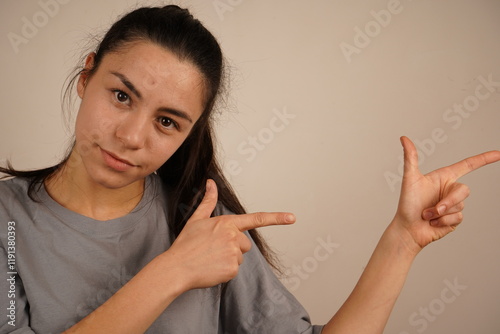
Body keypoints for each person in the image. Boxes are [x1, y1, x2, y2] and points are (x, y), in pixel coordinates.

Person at [0, 4, 498, 334]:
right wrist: (173, 272)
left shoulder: (202, 223)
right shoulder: (8, 223)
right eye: (121, 95)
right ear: (87, 76)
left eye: (167, 121)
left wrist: (403, 241)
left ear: (188, 133)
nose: (131, 136)